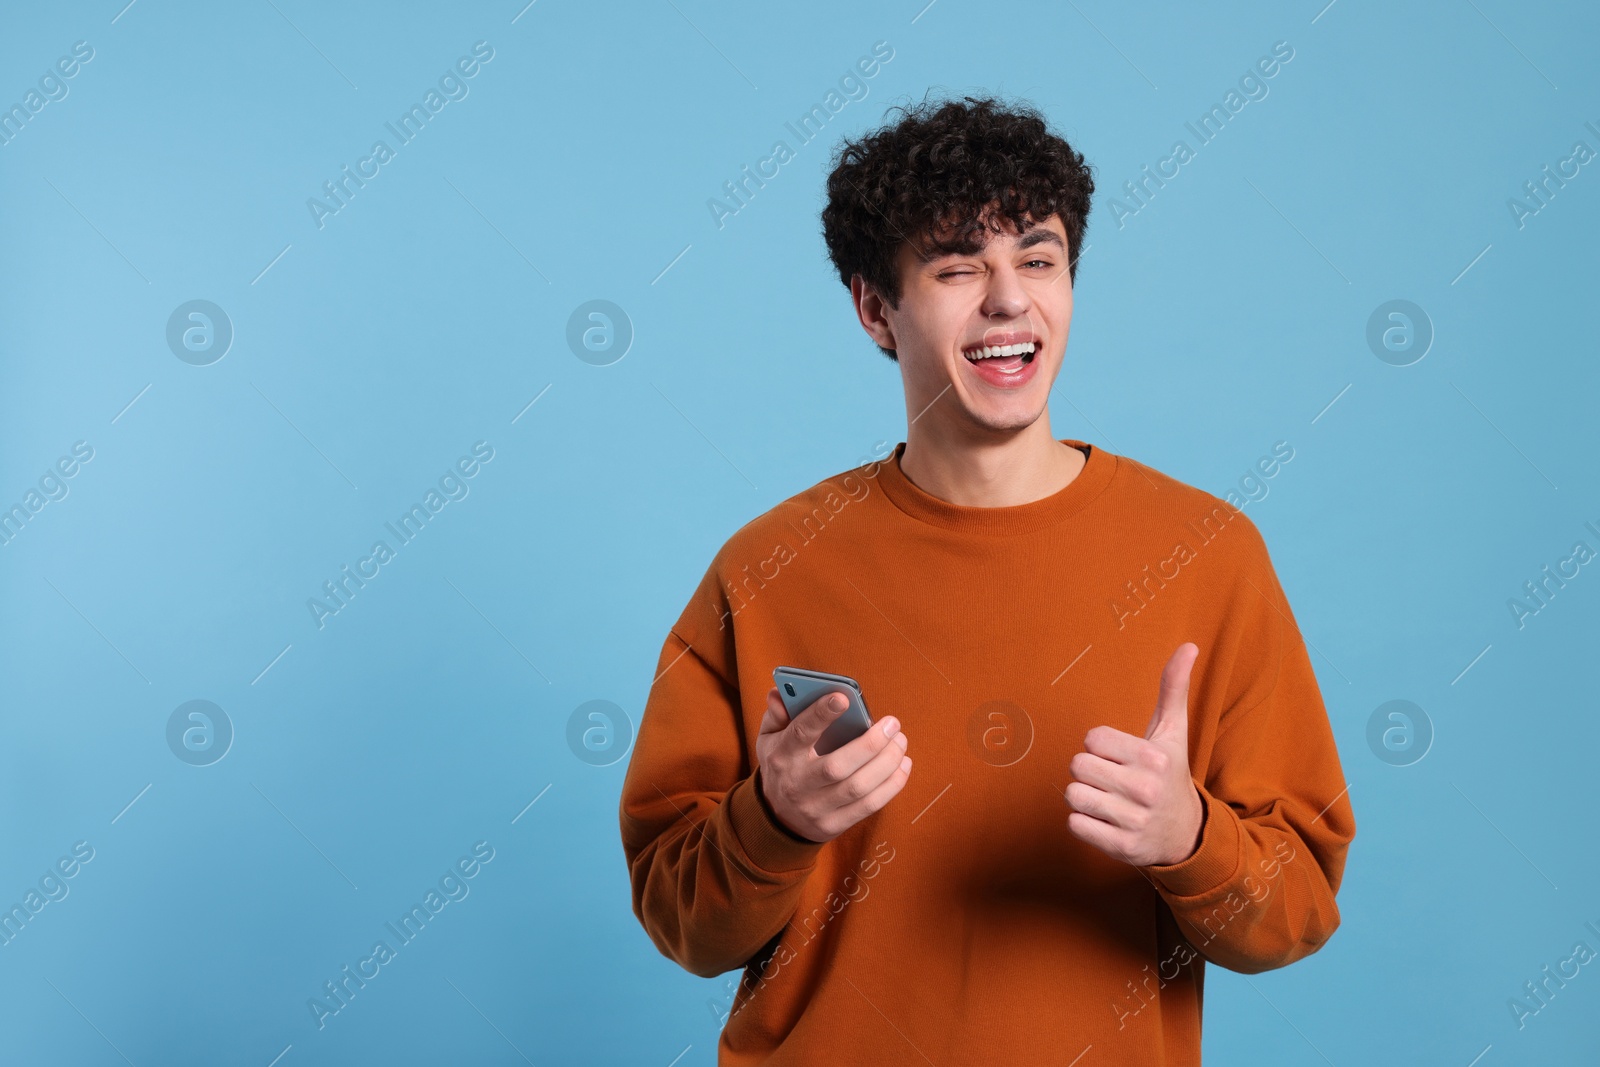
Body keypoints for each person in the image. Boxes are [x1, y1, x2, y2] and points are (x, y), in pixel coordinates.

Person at [619, 94, 1354, 1066]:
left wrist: (1190, 836)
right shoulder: (765, 567)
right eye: (958, 266)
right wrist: (775, 820)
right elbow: (686, 928)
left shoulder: (1207, 552)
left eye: (1038, 259)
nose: (1008, 298)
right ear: (875, 308)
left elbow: (1293, 912)